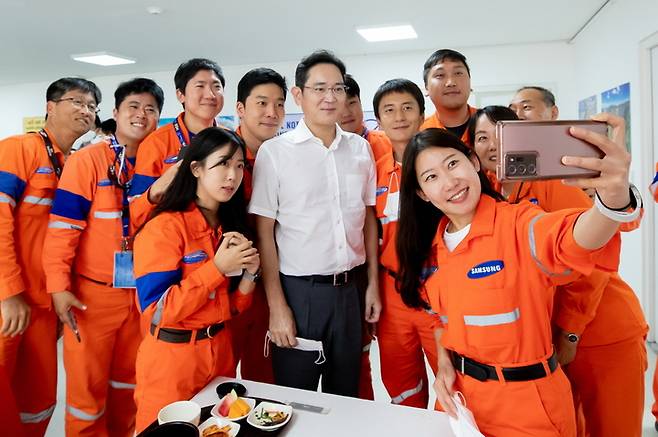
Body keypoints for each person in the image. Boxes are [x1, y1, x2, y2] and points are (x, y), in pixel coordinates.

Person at [396, 113, 640, 437]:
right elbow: (444, 321)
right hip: (461, 406)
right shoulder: (432, 248)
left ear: (473, 161)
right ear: (422, 194)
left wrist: (611, 199)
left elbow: (573, 236)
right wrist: (443, 364)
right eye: (431, 177)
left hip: (528, 408)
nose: (449, 182)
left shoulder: (519, 224)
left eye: (453, 164)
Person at [470, 105, 648, 437]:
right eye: (482, 137)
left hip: (600, 330)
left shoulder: (556, 181)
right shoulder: (484, 195)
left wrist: (570, 331)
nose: (492, 144)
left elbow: (595, 262)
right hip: (548, 341)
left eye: (501, 134)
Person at [250, 50, 380, 397]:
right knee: (296, 399)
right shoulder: (275, 153)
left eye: (338, 88)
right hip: (299, 293)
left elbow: (367, 219)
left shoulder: (360, 150)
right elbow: (265, 233)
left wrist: (372, 285)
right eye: (319, 88)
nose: (330, 97)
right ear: (298, 95)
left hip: (351, 292)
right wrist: (277, 308)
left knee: (346, 395)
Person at [42, 78, 164, 437]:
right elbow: (64, 229)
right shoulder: (89, 160)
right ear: (115, 113)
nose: (141, 115)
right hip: (92, 298)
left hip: (142, 295)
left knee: (130, 387)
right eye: (133, 107)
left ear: (159, 117)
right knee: (86, 394)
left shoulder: (161, 165)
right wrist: (58, 286)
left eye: (150, 109)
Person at [132, 127, 260, 432]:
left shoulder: (228, 225)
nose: (233, 175)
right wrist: (216, 268)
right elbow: (158, 312)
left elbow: (230, 309)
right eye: (223, 164)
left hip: (221, 355)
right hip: (172, 363)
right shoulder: (164, 227)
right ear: (196, 168)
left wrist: (251, 274)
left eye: (240, 166)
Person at [0, 77, 101, 436]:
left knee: (38, 401)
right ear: (50, 106)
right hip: (11, 304)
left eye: (92, 106)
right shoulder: (18, 150)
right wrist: (8, 294)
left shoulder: (74, 163)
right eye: (77, 102)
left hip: (44, 307)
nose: (86, 111)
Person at [372, 78, 440, 408]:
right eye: (389, 110)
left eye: (407, 107)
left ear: (422, 113)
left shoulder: (443, 164)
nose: (399, 116)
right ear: (380, 121)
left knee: (457, 382)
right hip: (393, 292)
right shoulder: (375, 172)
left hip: (438, 290)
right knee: (401, 384)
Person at [229, 67, 287, 384]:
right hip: (225, 288)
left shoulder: (284, 158)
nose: (272, 113)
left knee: (265, 378)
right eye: (262, 103)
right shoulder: (221, 156)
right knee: (218, 380)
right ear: (240, 108)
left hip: (271, 285)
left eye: (279, 104)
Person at [129, 58, 226, 228]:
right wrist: (157, 189)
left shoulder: (229, 140)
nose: (210, 94)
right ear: (180, 94)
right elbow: (136, 211)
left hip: (220, 236)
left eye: (216, 87)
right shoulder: (156, 143)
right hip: (171, 239)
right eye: (200, 86)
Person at [420, 49, 477, 145]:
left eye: (458, 73)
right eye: (440, 75)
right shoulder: (419, 133)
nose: (451, 83)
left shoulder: (492, 124)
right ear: (426, 88)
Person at [340, 74, 392, 162]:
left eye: (352, 103)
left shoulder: (389, 142)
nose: (346, 113)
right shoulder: (324, 151)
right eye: (339, 106)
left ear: (360, 102)